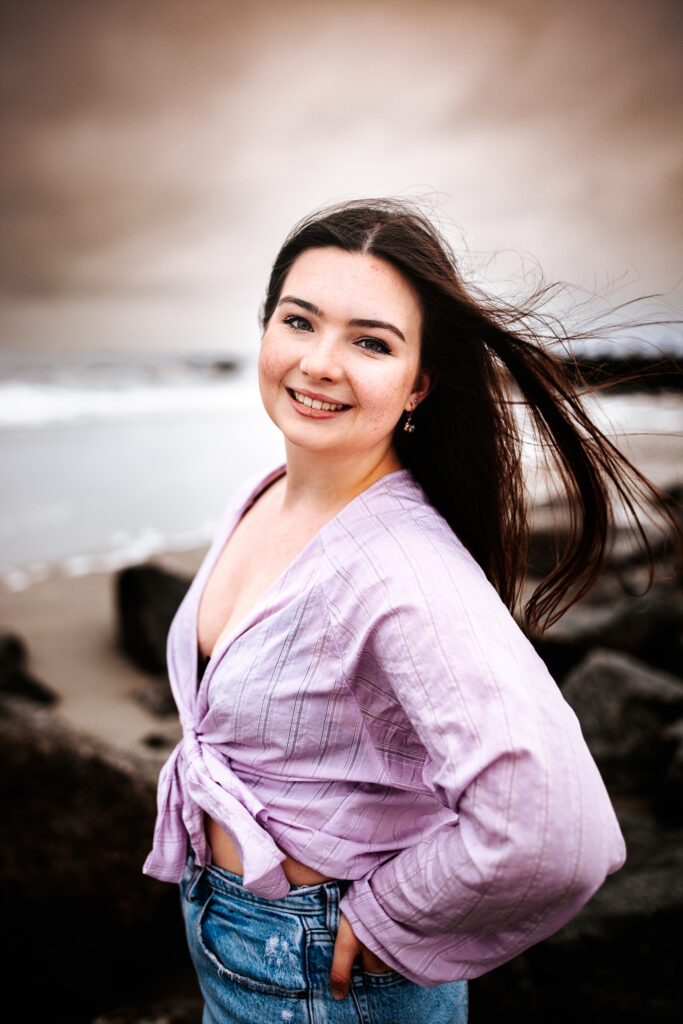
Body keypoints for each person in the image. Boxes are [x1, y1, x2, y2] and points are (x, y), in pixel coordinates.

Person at [143, 199, 677, 1024]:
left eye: (370, 341)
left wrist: (385, 918)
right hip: (236, 934)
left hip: (325, 975)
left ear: (418, 383)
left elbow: (555, 831)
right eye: (298, 321)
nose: (319, 362)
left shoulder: (402, 568)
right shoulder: (266, 498)